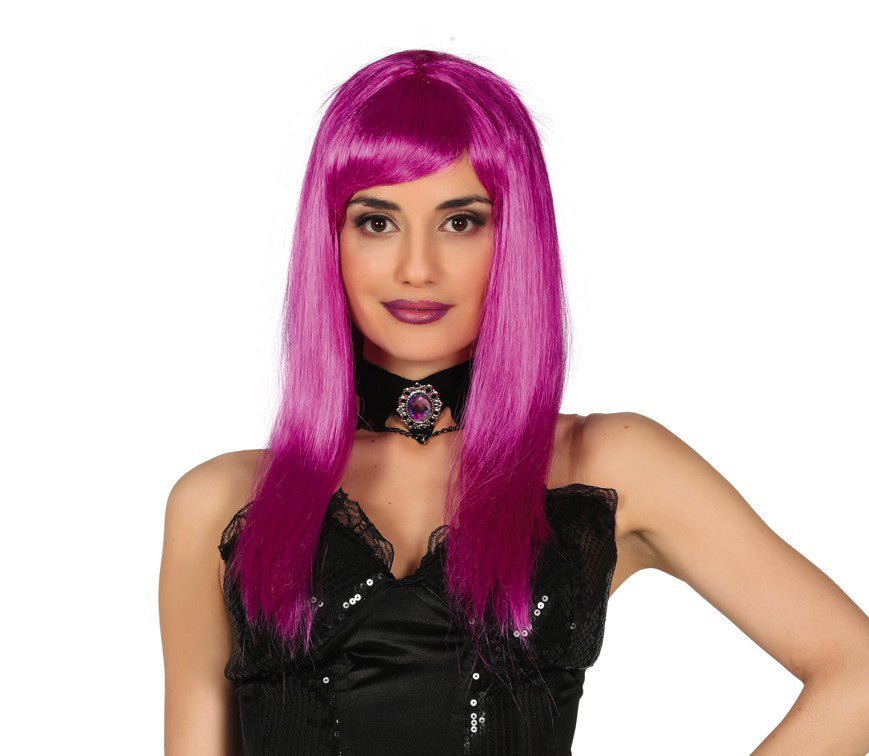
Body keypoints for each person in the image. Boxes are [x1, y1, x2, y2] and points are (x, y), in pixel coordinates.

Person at [159, 49, 869, 755]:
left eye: (460, 222)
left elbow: (855, 672)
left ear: (513, 237)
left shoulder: (606, 463)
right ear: (331, 238)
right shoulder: (218, 501)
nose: (416, 267)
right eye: (376, 222)